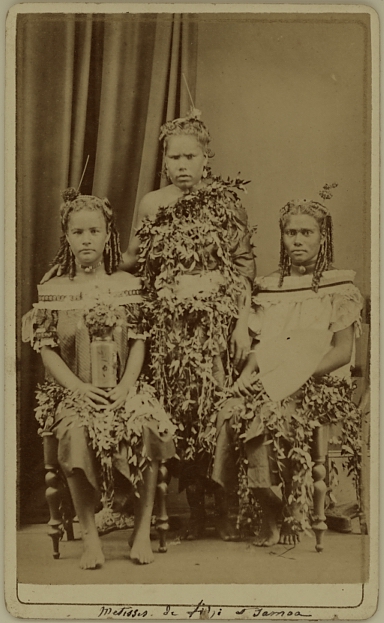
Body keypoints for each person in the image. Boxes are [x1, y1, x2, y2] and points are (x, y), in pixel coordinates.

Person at [122, 108, 256, 540]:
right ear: (164, 161)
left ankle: (226, 510)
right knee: (182, 412)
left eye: (190, 157)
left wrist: (239, 325)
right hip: (171, 326)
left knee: (216, 407)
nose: (182, 166)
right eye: (174, 158)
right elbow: (135, 262)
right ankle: (196, 513)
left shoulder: (227, 202)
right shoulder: (153, 204)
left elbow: (243, 267)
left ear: (206, 159)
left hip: (217, 324)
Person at [22, 190, 176, 568]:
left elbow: (139, 342)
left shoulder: (127, 285)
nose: (87, 239)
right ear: (68, 237)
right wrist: (78, 389)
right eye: (78, 232)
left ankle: (140, 534)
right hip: (77, 392)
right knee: (74, 432)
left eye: (94, 230)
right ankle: (90, 538)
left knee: (148, 427)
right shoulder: (55, 290)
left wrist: (126, 388)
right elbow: (47, 350)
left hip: (127, 390)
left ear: (109, 235)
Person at [211, 186, 363, 547]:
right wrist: (246, 378)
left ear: (322, 237)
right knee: (230, 411)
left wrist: (298, 374)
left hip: (320, 382)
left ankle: (275, 513)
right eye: (291, 232)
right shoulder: (268, 288)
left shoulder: (338, 287)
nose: (297, 240)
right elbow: (260, 349)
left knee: (268, 414)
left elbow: (342, 353)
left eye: (306, 232)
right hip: (271, 378)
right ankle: (259, 503)